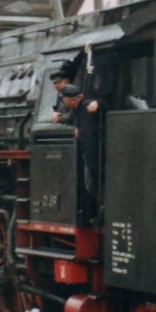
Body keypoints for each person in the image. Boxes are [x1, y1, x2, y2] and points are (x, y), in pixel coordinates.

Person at [59, 84, 102, 222]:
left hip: (95, 154)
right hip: (88, 154)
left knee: (93, 184)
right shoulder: (77, 109)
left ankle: (103, 212)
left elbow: (105, 105)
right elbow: (71, 118)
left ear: (71, 99)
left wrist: (98, 103)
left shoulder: (86, 105)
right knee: (90, 184)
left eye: (64, 100)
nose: (64, 103)